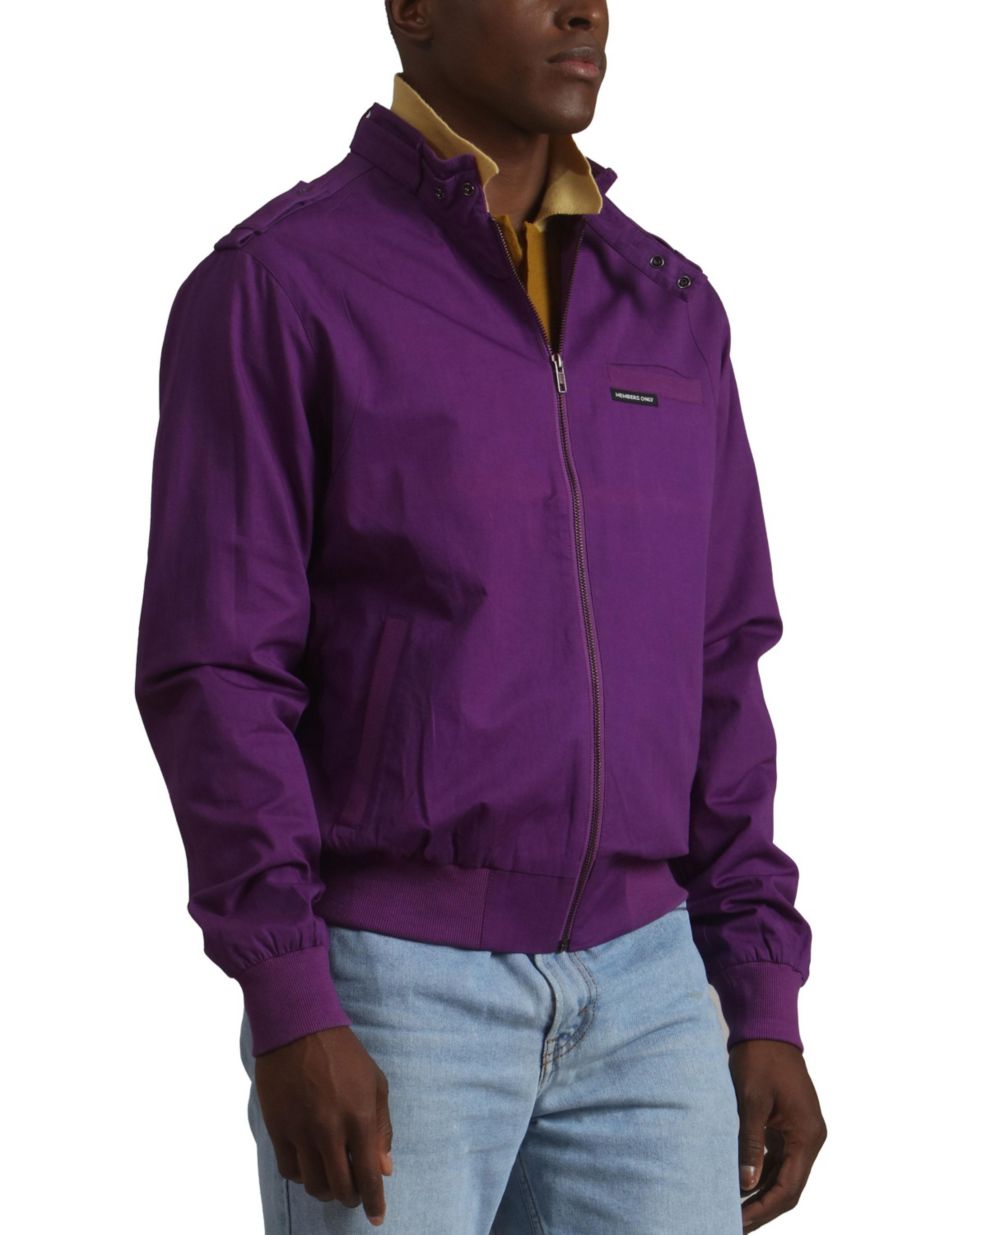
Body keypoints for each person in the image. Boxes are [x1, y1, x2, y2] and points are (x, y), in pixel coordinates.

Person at [134, 2, 827, 1231]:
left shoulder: (667, 305)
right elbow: (218, 671)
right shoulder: (282, 286)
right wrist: (292, 998)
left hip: (653, 984)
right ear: (414, 8)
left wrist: (760, 989)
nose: (585, 8)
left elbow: (721, 656)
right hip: (396, 988)